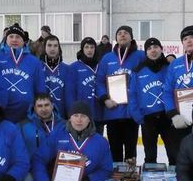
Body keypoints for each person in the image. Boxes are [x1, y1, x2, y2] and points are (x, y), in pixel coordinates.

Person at [27, 101, 113, 181]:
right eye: (76, 115)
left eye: (83, 116)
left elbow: (106, 169)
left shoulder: (100, 142)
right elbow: (38, 158)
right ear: (70, 117)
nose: (79, 119)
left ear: (89, 119)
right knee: (27, 180)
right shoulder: (57, 134)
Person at [96, 25, 145, 162]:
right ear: (116, 38)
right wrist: (105, 99)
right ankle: (115, 179)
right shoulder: (107, 58)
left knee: (131, 151)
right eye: (119, 33)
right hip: (113, 111)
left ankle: (130, 178)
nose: (122, 35)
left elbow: (153, 67)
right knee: (115, 151)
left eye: (126, 33)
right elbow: (99, 82)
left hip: (131, 112)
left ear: (131, 37)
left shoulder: (140, 56)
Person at [128, 37, 180, 165]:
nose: (153, 50)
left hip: (167, 117)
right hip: (148, 119)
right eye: (149, 48)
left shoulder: (170, 67)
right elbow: (132, 95)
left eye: (156, 47)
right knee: (150, 156)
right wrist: (139, 117)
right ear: (146, 52)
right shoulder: (138, 71)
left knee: (174, 155)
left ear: (161, 49)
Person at [19, 93, 68, 181]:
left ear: (53, 106)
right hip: (34, 170)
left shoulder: (66, 125)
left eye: (47, 105)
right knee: (25, 179)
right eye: (39, 106)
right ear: (34, 108)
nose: (44, 109)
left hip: (60, 171)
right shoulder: (23, 126)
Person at [0, 23, 45, 123]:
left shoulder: (34, 61)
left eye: (18, 37)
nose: (14, 39)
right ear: (6, 39)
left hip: (27, 118)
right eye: (11, 36)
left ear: (23, 41)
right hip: (2, 117)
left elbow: (40, 89)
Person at [70, 37, 104, 134]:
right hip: (81, 115)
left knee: (96, 143)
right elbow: (71, 92)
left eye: (92, 47)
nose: (89, 50)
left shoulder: (101, 66)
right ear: (82, 49)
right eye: (86, 47)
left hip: (98, 113)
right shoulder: (74, 67)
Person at [41, 34, 72, 119]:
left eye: (55, 46)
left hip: (61, 117)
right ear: (44, 47)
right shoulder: (37, 68)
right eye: (49, 45)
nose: (52, 49)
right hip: (41, 116)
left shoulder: (67, 69)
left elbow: (69, 96)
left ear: (59, 48)